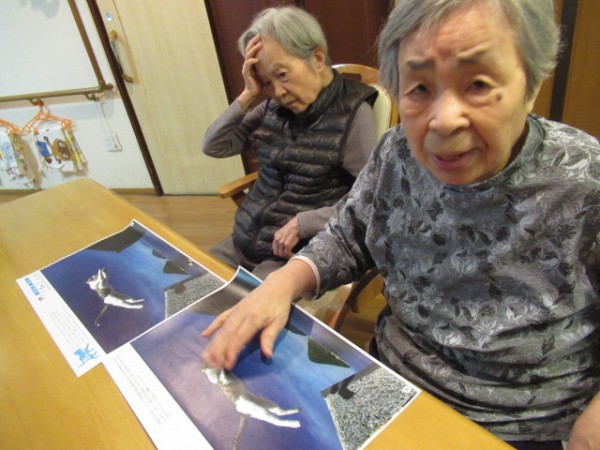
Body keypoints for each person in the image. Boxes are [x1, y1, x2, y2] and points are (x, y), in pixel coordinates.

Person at [202, 0, 600, 448]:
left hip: (522, 422)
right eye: (419, 88)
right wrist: (283, 282)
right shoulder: (396, 152)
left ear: (531, 83)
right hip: (393, 383)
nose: (443, 120)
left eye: (478, 84)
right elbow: (349, 234)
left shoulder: (585, 180)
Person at [202, 6, 379, 279]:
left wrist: (304, 223)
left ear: (317, 58)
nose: (278, 92)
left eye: (282, 75)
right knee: (188, 283)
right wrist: (248, 94)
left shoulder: (354, 115)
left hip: (292, 253)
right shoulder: (271, 108)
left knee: (244, 303)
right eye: (266, 82)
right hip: (243, 240)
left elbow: (373, 197)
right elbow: (215, 145)